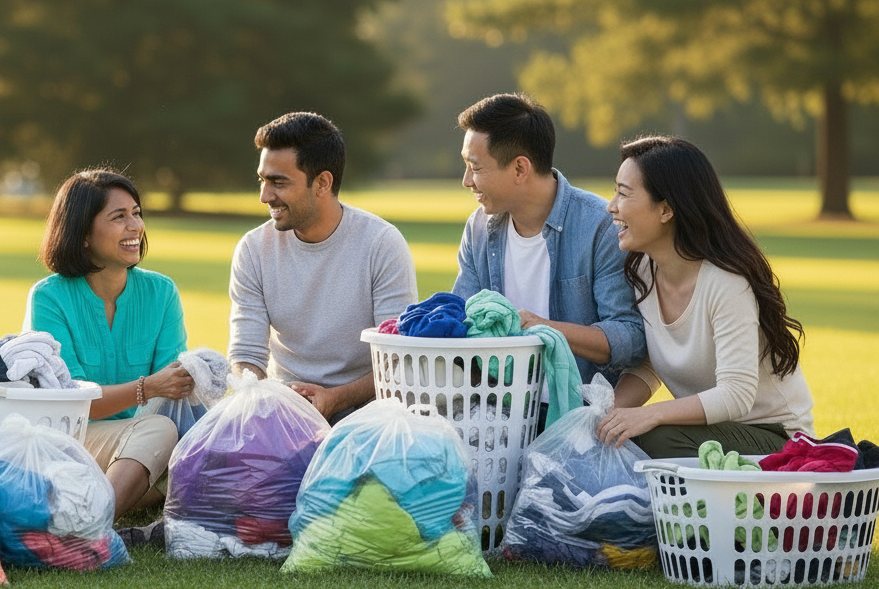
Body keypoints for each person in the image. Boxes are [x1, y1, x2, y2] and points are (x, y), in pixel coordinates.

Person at [596, 136, 814, 458]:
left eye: (624, 193)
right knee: (617, 436)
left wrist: (651, 414)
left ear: (666, 209)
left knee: (652, 439)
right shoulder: (644, 269)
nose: (610, 206)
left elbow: (736, 394)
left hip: (777, 439)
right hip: (716, 432)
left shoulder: (726, 282)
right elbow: (651, 364)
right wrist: (604, 415)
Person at [23, 168, 194, 524]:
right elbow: (73, 402)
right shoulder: (49, 298)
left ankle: (97, 497)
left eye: (137, 213)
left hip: (142, 443)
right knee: (162, 435)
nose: (135, 226)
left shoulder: (162, 292)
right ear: (83, 234)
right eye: (119, 217)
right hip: (70, 439)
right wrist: (147, 388)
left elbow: (171, 392)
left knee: (196, 448)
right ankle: (93, 525)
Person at [228, 111, 416, 423]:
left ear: (322, 183)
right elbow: (246, 355)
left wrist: (335, 399)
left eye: (278, 182)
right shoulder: (253, 249)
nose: (264, 196)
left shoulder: (382, 244)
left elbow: (397, 360)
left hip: (368, 413)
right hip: (280, 410)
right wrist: (260, 404)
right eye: (262, 180)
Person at [452, 93, 645, 387]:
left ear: (520, 169)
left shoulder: (599, 226)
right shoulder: (478, 228)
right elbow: (461, 319)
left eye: (476, 167)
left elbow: (630, 337)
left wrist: (544, 329)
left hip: (577, 409)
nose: (467, 180)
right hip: (497, 409)